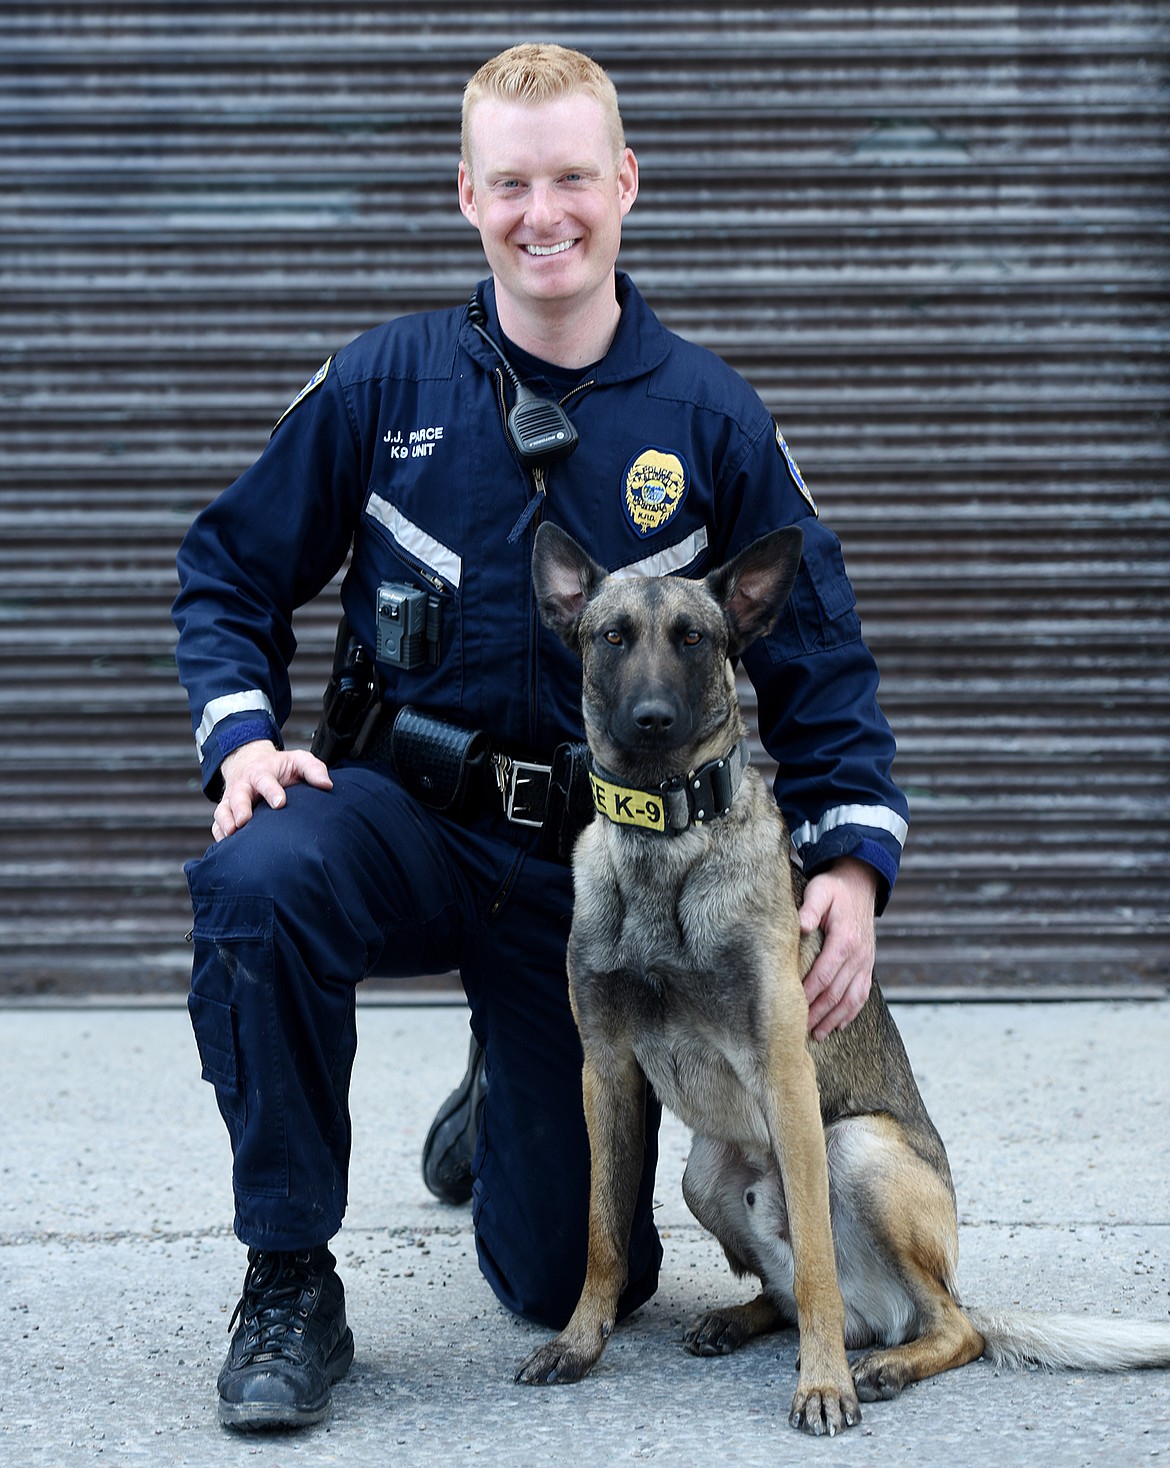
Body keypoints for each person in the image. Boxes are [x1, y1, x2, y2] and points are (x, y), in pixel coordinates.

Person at [172, 42, 909, 1432]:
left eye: (571, 177)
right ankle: (285, 1277)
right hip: (402, 818)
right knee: (259, 880)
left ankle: (497, 1089)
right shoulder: (384, 384)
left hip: (591, 880)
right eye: (511, 183)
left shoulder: (708, 414)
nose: (542, 213)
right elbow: (226, 567)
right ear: (467, 194)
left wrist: (850, 858)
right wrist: (242, 740)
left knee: (566, 1283)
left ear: (622, 182)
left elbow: (816, 650)